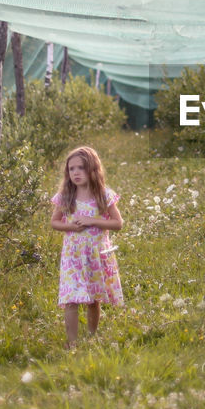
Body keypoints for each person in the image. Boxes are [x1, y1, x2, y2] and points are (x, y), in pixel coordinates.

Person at [50, 145, 124, 348]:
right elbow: (54, 222)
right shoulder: (66, 196)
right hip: (73, 256)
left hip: (95, 255)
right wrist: (70, 226)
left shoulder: (103, 195)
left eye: (81, 168)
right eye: (71, 169)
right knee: (70, 299)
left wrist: (92, 221)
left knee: (93, 298)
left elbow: (117, 223)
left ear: (92, 170)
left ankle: (92, 336)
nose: (76, 173)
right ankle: (72, 343)